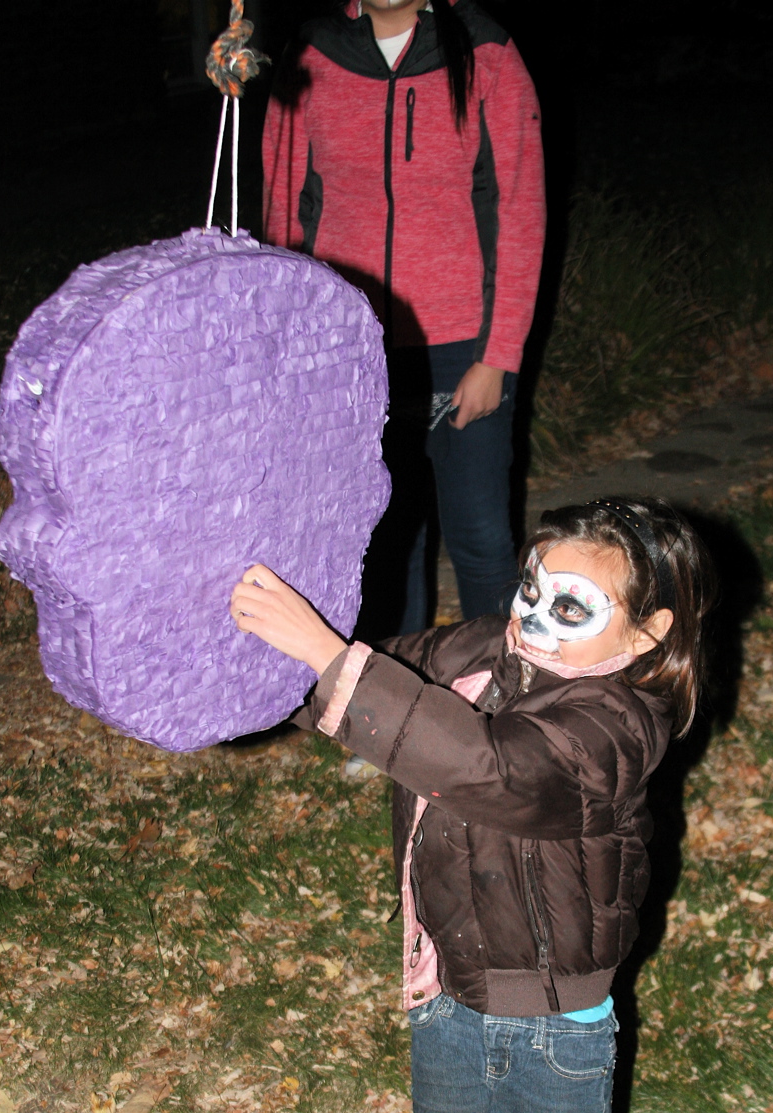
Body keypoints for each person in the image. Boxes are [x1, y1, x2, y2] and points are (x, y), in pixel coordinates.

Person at [229, 498, 715, 1113]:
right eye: (530, 587)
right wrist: (264, 668)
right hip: (446, 993)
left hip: (557, 1026)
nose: (533, 614)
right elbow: (386, 680)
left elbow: (491, 767)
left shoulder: (618, 727)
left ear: (651, 630)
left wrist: (333, 660)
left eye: (571, 604)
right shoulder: (487, 649)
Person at [261, 0, 545, 639]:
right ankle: (394, 717)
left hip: (462, 344)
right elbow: (283, 210)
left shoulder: (487, 52)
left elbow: (519, 212)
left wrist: (498, 356)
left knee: (479, 531)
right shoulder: (314, 53)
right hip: (351, 346)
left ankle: (499, 701)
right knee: (386, 538)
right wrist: (291, 341)